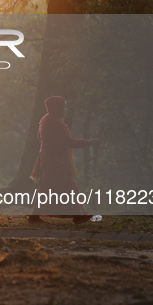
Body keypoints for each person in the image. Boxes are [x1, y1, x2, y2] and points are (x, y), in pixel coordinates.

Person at [29, 96, 98, 224]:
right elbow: (68, 141)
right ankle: (76, 214)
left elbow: (40, 136)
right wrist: (89, 142)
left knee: (58, 186)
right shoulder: (56, 122)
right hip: (55, 158)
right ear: (56, 108)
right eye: (63, 107)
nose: (65, 110)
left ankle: (77, 214)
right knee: (59, 186)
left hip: (47, 156)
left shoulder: (44, 119)